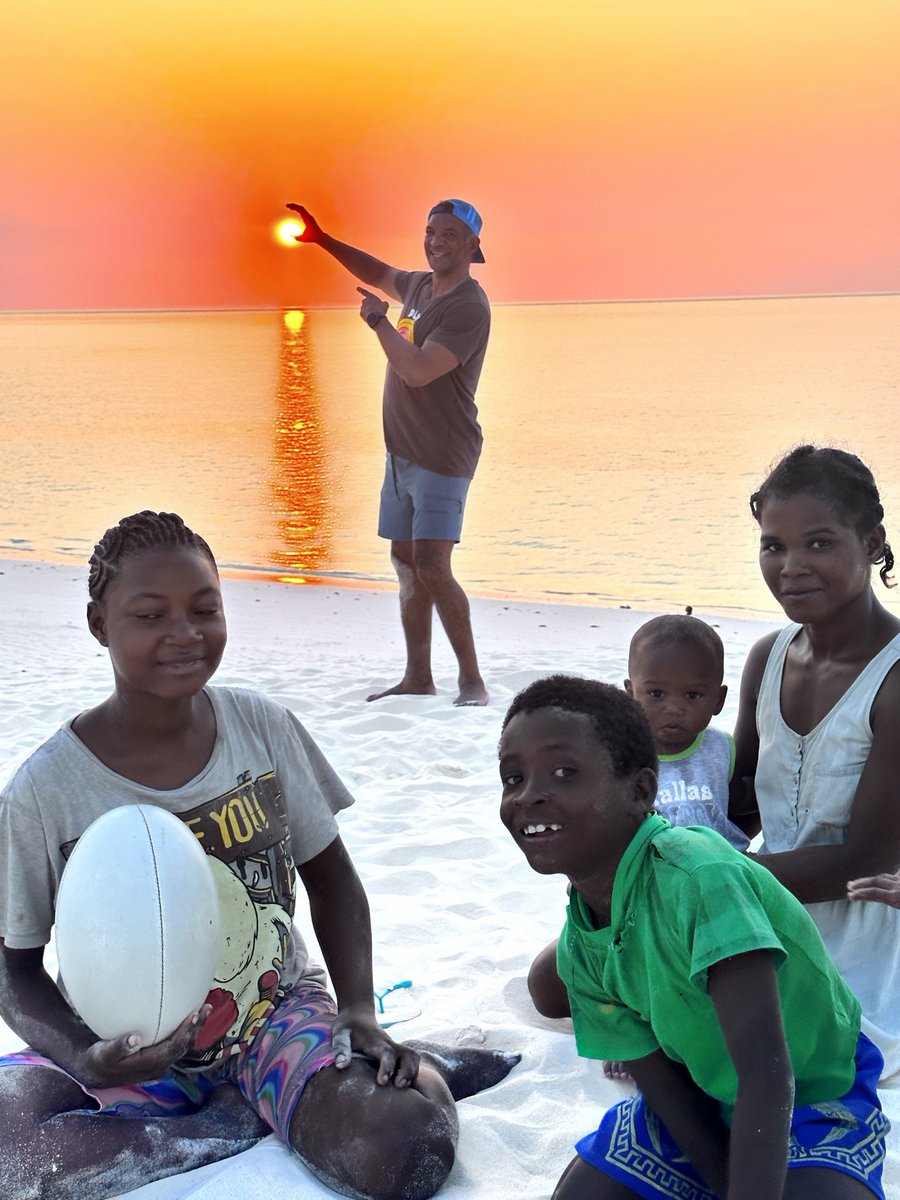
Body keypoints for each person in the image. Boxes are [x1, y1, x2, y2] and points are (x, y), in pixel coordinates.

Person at [0, 511, 516, 1200]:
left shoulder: (260, 728)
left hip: (271, 1020)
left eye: (204, 609)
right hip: (122, 1049)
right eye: (150, 615)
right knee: (11, 1152)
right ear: (100, 624)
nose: (184, 634)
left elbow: (333, 880)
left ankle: (410, 1068)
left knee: (404, 1151)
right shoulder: (46, 790)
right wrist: (84, 1059)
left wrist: (358, 1010)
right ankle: (225, 1125)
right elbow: (14, 965)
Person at [499, 674, 890, 1200]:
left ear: (640, 791)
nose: (530, 796)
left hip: (815, 1092)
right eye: (512, 778)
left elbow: (769, 1074)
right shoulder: (581, 944)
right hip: (706, 1095)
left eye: (564, 772)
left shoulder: (700, 876)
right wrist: (722, 1181)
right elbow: (665, 1092)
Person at [732, 445, 900, 1078]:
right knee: (554, 979)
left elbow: (866, 863)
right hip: (765, 904)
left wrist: (717, 881)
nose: (792, 567)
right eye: (774, 546)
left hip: (862, 938)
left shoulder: (895, 678)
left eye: (819, 544)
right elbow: (738, 805)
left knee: (797, 1053)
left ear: (872, 542)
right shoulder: (767, 657)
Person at [285, 198, 491, 707]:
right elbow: (377, 270)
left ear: (472, 246)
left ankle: (472, 681)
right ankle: (418, 677)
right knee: (405, 560)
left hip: (443, 453)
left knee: (432, 563)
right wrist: (322, 238)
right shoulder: (420, 287)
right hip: (401, 453)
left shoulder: (468, 306)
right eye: (429, 231)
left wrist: (379, 323)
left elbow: (418, 369)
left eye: (448, 234)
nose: (435, 241)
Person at [625, 614, 749, 853]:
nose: (674, 709)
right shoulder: (622, 755)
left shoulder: (720, 748)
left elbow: (742, 801)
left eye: (692, 695)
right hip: (652, 876)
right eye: (656, 694)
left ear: (718, 700)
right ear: (631, 694)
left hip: (721, 869)